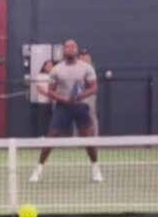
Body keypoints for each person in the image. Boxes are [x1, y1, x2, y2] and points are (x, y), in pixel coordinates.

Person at [29, 39, 103, 183]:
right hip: (63, 106)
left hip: (81, 105)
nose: (70, 48)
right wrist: (65, 99)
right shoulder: (57, 69)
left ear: (77, 49)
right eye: (67, 46)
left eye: (73, 46)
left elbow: (94, 87)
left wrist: (81, 95)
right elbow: (51, 92)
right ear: (64, 50)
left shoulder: (86, 68)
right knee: (51, 135)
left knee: (86, 136)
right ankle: (38, 170)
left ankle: (95, 168)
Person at [79, 49, 99, 136]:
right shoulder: (77, 67)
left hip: (90, 95)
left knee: (91, 115)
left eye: (87, 56)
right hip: (79, 96)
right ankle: (78, 138)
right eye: (83, 56)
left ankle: (95, 137)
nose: (85, 58)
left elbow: (93, 83)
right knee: (79, 116)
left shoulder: (91, 68)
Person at [34, 60, 54, 136]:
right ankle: (41, 136)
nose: (50, 67)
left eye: (51, 65)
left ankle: (49, 136)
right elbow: (39, 88)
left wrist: (53, 97)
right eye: (48, 65)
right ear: (44, 66)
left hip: (51, 102)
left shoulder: (54, 76)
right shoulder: (40, 76)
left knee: (50, 121)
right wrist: (49, 95)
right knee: (42, 120)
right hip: (42, 102)